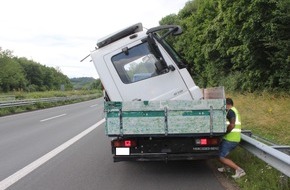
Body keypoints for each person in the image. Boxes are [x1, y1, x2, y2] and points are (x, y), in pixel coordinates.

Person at [218, 98, 246, 179]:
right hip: (232, 138)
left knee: (221, 157)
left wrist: (225, 132)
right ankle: (226, 168)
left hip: (231, 139)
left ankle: (239, 170)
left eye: (224, 105)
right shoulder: (234, 110)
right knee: (220, 153)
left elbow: (232, 125)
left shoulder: (230, 111)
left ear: (227, 104)